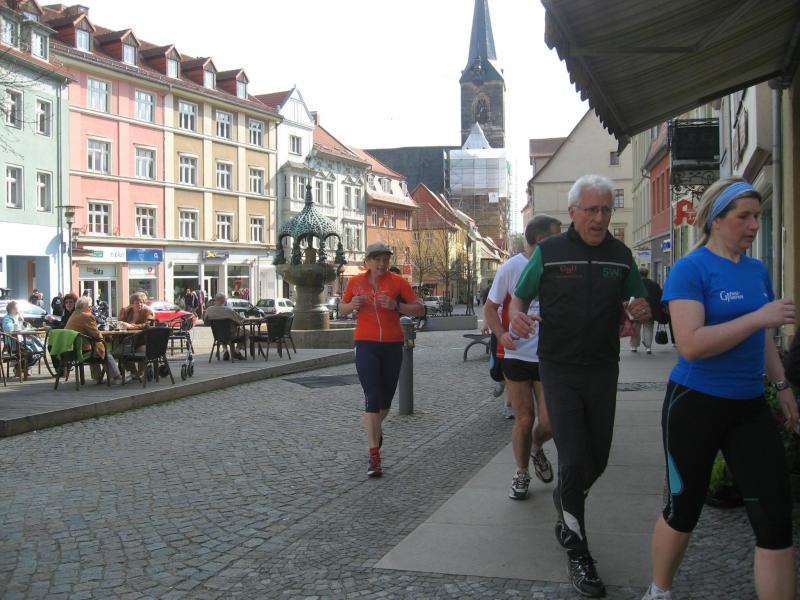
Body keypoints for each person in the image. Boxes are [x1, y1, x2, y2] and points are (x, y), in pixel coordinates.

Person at [641, 178, 797, 600]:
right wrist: (758, 317)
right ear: (716, 219)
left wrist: (781, 384)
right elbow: (691, 345)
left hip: (749, 407)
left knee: (775, 518)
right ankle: (659, 591)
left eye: (757, 216)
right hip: (695, 405)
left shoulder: (756, 270)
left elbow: (763, 337)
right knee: (683, 508)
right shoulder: (690, 269)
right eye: (744, 217)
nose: (753, 225)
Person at [510, 174, 651, 598]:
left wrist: (641, 308)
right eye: (591, 210)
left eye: (606, 209)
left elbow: (637, 301)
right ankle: (577, 549)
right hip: (559, 367)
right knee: (572, 460)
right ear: (573, 212)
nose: (599, 218)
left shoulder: (621, 255)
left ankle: (566, 500)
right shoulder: (550, 251)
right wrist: (516, 316)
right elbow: (519, 297)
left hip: (603, 368)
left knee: (598, 460)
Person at [485, 214, 561, 500]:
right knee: (525, 418)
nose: (562, 240)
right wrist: (501, 334)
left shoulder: (558, 267)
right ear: (541, 240)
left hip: (548, 356)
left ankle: (535, 448)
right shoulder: (511, 267)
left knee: (550, 422)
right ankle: (521, 472)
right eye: (557, 235)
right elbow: (490, 308)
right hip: (517, 355)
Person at [338, 242, 425, 477]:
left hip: (392, 345)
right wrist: (351, 305)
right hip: (365, 344)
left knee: (385, 403)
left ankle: (374, 427)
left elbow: (419, 309)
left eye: (385, 259)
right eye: (377, 259)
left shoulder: (398, 282)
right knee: (372, 397)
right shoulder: (355, 282)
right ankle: (374, 456)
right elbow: (341, 308)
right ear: (367, 261)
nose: (382, 263)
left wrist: (397, 306)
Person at [66, 296, 124, 384]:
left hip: (71, 350)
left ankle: (97, 378)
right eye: (89, 306)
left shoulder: (74, 314)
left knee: (95, 347)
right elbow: (96, 335)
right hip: (81, 352)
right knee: (103, 351)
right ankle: (117, 377)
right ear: (84, 307)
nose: (91, 308)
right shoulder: (87, 316)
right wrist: (106, 338)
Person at [2, 300, 45, 378]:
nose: (19, 310)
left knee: (40, 348)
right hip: (14, 342)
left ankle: (25, 367)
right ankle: (22, 367)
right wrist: (18, 322)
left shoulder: (18, 317)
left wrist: (24, 323)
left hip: (22, 340)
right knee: (30, 350)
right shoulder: (7, 318)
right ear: (12, 309)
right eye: (18, 308)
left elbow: (25, 328)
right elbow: (8, 329)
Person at [204, 292, 248, 360]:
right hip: (230, 335)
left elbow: (206, 322)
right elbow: (240, 321)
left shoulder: (209, 310)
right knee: (246, 332)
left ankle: (225, 351)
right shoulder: (228, 310)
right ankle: (237, 352)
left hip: (217, 335)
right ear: (224, 300)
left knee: (221, 331)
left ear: (215, 299)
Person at [630, 267, 664, 354]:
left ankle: (634, 346)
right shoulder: (654, 284)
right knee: (648, 328)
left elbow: (630, 297)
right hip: (650, 310)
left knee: (635, 329)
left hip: (637, 310)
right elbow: (659, 297)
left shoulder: (635, 285)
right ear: (647, 274)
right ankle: (648, 347)